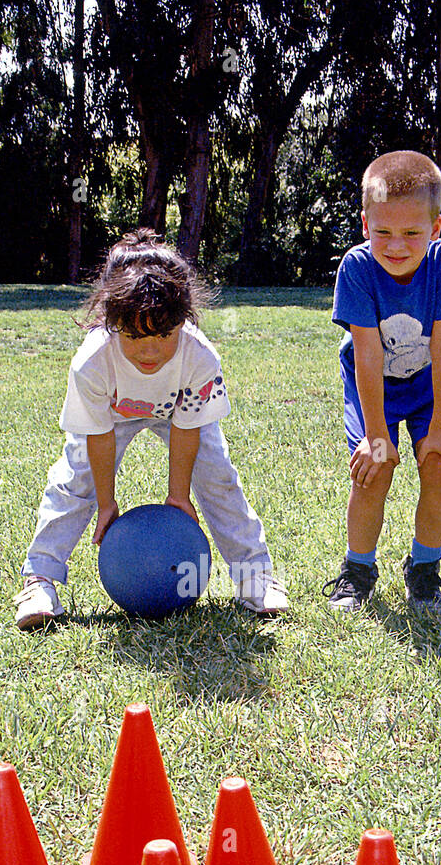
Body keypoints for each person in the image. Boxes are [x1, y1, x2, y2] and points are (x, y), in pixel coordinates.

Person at [15, 229, 287, 628]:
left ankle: (254, 575)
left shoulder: (199, 358)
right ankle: (41, 578)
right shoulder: (92, 363)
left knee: (218, 477)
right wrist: (106, 503)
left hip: (177, 410)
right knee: (74, 481)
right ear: (111, 322)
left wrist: (179, 496)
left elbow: (188, 429)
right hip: (112, 414)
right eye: (135, 335)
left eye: (164, 334)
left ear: (183, 320)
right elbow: (98, 436)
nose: (150, 350)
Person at [323, 150, 441, 614]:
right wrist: (375, 436)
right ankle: (358, 571)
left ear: (435, 227)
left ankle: (424, 572)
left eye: (412, 233)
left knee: (440, 464)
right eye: (383, 232)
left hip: (427, 384)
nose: (396, 245)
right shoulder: (357, 268)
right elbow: (367, 354)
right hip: (373, 388)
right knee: (375, 469)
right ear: (366, 226)